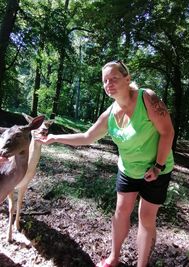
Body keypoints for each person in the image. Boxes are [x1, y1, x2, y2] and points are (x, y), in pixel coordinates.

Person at [36, 60, 174, 267]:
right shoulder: (109, 114)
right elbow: (86, 137)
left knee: (146, 217)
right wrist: (54, 138)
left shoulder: (147, 98)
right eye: (105, 81)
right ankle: (113, 258)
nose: (109, 84)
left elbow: (167, 132)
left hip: (157, 169)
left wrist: (158, 166)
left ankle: (142, 264)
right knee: (120, 212)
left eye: (114, 79)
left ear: (127, 80)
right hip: (128, 170)